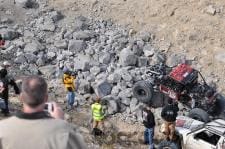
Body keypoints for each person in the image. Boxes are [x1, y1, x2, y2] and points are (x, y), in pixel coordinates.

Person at [0, 76, 86, 149]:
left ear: (21, 98)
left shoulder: (2, 128)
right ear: (46, 98)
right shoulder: (65, 133)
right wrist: (60, 124)